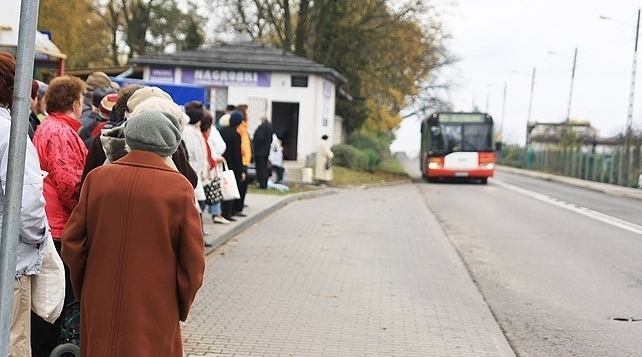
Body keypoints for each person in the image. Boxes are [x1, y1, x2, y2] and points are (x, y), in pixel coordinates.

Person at [61, 109, 205, 357]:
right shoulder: (179, 188)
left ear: (129, 137)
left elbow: (72, 242)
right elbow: (193, 261)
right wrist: (179, 304)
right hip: (156, 300)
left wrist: (86, 285)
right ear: (169, 144)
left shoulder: (98, 179)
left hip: (99, 296)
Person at [0, 51, 53, 357]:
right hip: (9, 263)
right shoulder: (11, 133)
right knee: (12, 343)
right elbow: (27, 202)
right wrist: (39, 238)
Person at [31, 74, 88, 357]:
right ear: (75, 102)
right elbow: (69, 183)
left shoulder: (51, 127)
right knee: (54, 303)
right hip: (58, 228)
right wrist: (89, 209)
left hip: (53, 225)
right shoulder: (60, 132)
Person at [183, 106, 211, 239]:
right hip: (193, 170)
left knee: (200, 203)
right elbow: (192, 152)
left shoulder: (195, 131)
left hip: (198, 170)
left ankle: (198, 234)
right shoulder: (188, 132)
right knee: (198, 203)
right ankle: (196, 235)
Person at [200, 110, 229, 224]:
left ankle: (215, 214)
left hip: (209, 169)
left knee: (209, 196)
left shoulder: (205, 136)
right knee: (205, 198)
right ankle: (215, 215)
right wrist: (215, 158)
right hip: (206, 171)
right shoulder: (202, 137)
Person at [219, 110, 245, 222]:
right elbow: (236, 154)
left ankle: (222, 211)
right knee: (231, 188)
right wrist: (241, 170)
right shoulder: (235, 135)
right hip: (233, 166)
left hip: (222, 164)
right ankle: (229, 212)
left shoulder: (222, 131)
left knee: (223, 187)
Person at [234, 104, 251, 216]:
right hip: (242, 160)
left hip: (246, 160)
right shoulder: (240, 129)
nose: (248, 114)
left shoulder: (244, 127)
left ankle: (239, 206)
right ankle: (237, 208)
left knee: (244, 185)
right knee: (241, 185)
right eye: (247, 112)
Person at [252, 114, 273, 189]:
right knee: (264, 168)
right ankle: (264, 183)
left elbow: (259, 138)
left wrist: (255, 144)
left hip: (260, 152)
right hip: (266, 151)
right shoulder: (270, 127)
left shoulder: (262, 127)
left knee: (260, 168)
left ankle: (261, 183)